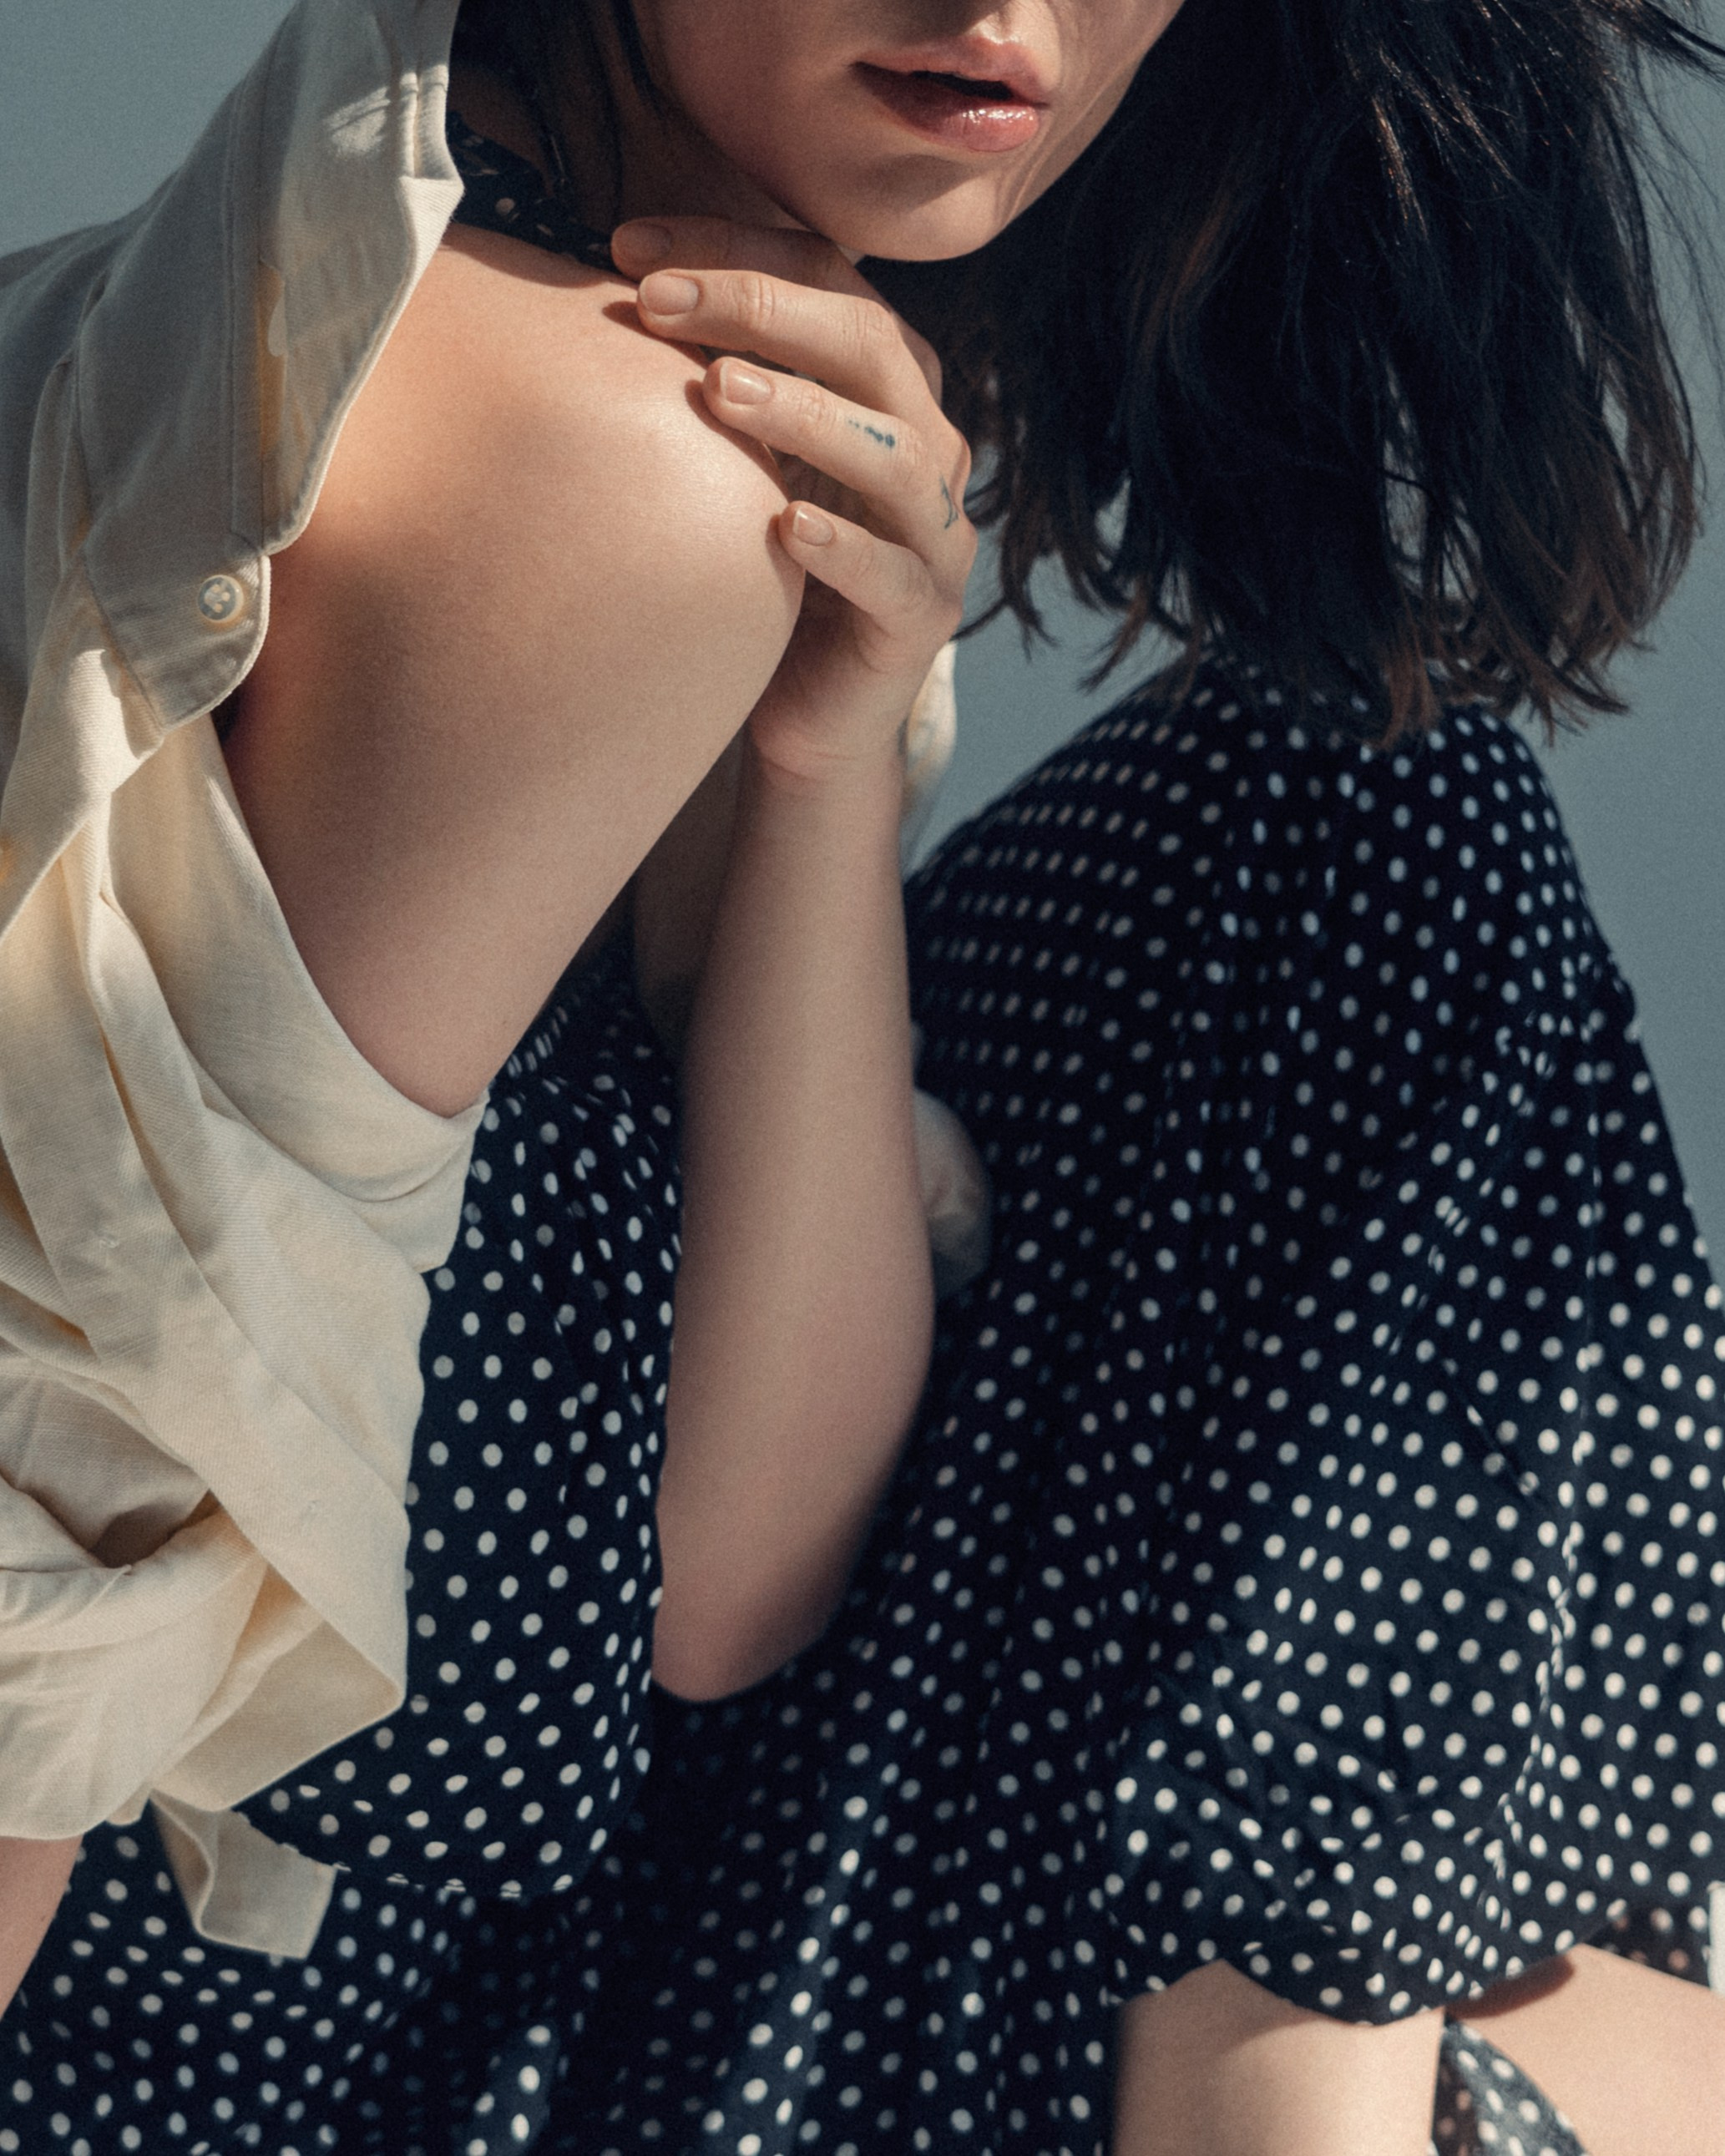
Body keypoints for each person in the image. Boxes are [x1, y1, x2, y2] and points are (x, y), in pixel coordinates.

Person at [1, 0, 1722, 2152]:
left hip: (583, 1995)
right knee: (1602, 2068)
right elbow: (24, 1638)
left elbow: (719, 1591)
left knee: (1347, 808)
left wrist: (825, 762)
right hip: (278, 2092)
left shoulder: (718, 399)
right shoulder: (573, 450)